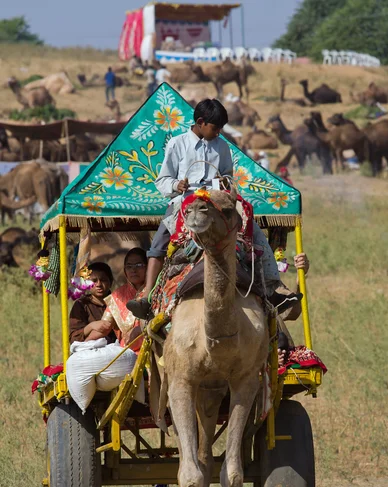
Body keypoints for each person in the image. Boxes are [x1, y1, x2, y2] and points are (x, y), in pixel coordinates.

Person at [128, 98, 297, 318]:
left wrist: (225, 181)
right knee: (160, 242)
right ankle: (147, 296)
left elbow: (228, 174)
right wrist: (176, 185)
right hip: (185, 200)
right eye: (215, 128)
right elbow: (162, 179)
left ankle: (274, 289)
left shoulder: (222, 145)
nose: (218, 132)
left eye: (220, 129)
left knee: (253, 231)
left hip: (218, 200)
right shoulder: (177, 144)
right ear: (200, 122)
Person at [86, 248, 147, 352]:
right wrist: (83, 346)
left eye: (139, 265)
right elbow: (104, 326)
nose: (133, 270)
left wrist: (141, 328)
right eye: (129, 266)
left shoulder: (157, 290)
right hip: (127, 353)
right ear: (124, 270)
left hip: (153, 350)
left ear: (148, 268)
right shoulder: (118, 295)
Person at [69, 262, 116, 344]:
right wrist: (91, 326)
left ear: (111, 282)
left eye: (103, 280)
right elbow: (73, 338)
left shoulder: (118, 302)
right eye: (94, 281)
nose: (99, 284)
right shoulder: (81, 304)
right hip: (89, 352)